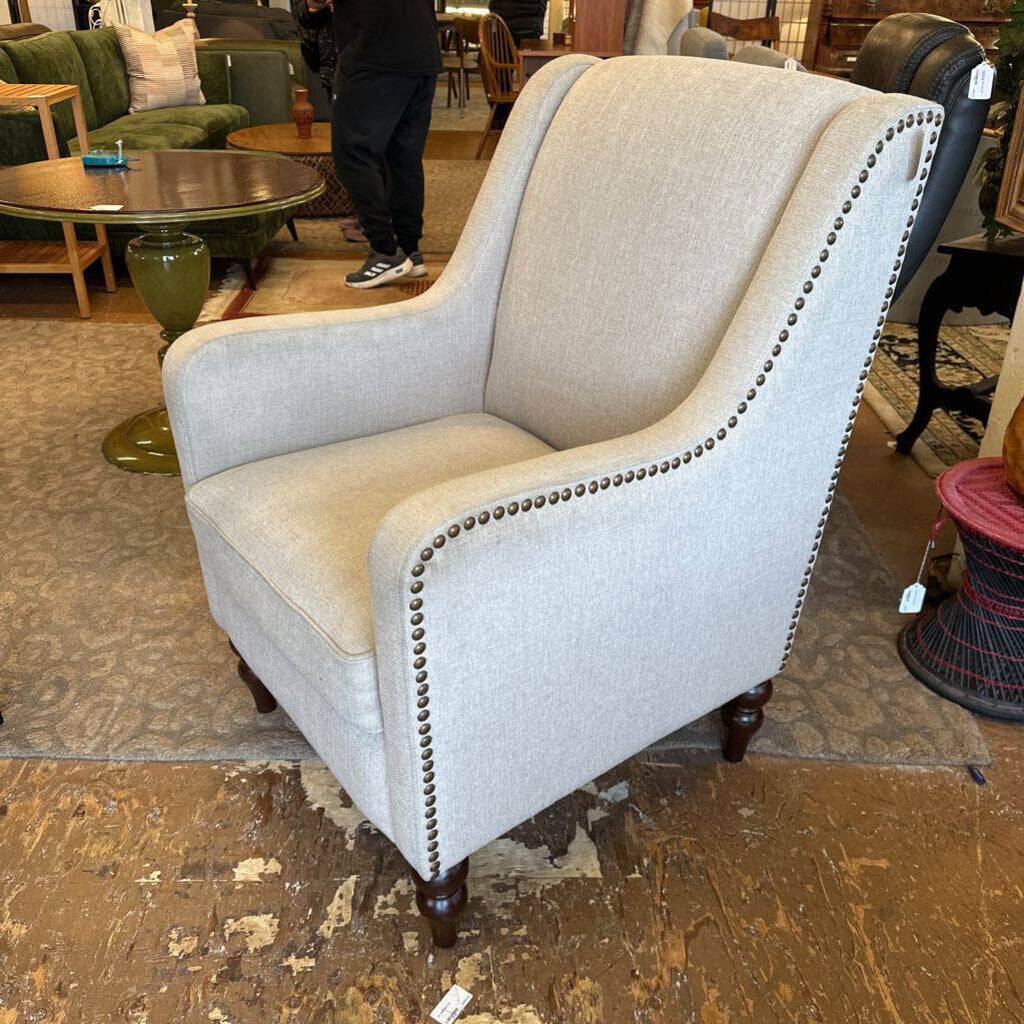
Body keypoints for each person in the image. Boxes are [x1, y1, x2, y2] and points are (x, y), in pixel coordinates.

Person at [301, 0, 442, 289]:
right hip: (421, 51)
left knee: (353, 153)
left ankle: (385, 251)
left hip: (372, 52)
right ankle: (410, 251)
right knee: (403, 158)